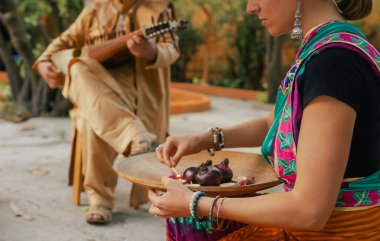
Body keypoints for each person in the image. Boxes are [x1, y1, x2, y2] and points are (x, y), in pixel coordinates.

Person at [148, 0, 380, 240]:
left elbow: (309, 211)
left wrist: (196, 203)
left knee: (191, 227)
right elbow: (276, 123)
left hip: (339, 232)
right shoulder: (331, 48)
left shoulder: (335, 63)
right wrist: (205, 139)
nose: (251, 7)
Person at [33, 0, 179, 225]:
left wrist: (149, 50)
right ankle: (134, 136)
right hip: (96, 84)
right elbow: (61, 44)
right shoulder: (95, 9)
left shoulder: (157, 7)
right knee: (78, 68)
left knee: (95, 111)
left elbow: (171, 49)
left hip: (138, 90)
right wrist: (43, 62)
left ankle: (99, 198)